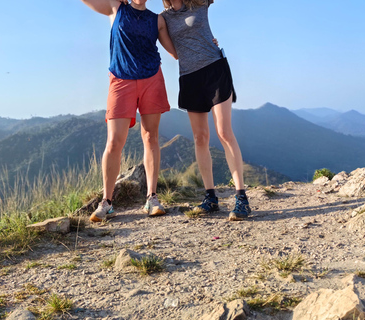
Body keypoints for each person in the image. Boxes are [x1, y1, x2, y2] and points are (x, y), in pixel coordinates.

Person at [81, 0, 178, 222]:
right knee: (114, 142)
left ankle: (151, 198)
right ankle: (106, 202)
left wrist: (206, 42)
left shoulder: (157, 20)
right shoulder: (116, 8)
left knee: (151, 137)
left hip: (152, 79)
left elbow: (174, 52)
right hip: (121, 80)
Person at [160, 0, 251, 221]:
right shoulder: (162, 19)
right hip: (190, 77)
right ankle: (210, 198)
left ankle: (241, 198)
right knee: (200, 137)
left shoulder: (198, 4)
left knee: (224, 132)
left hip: (215, 70)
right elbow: (174, 53)